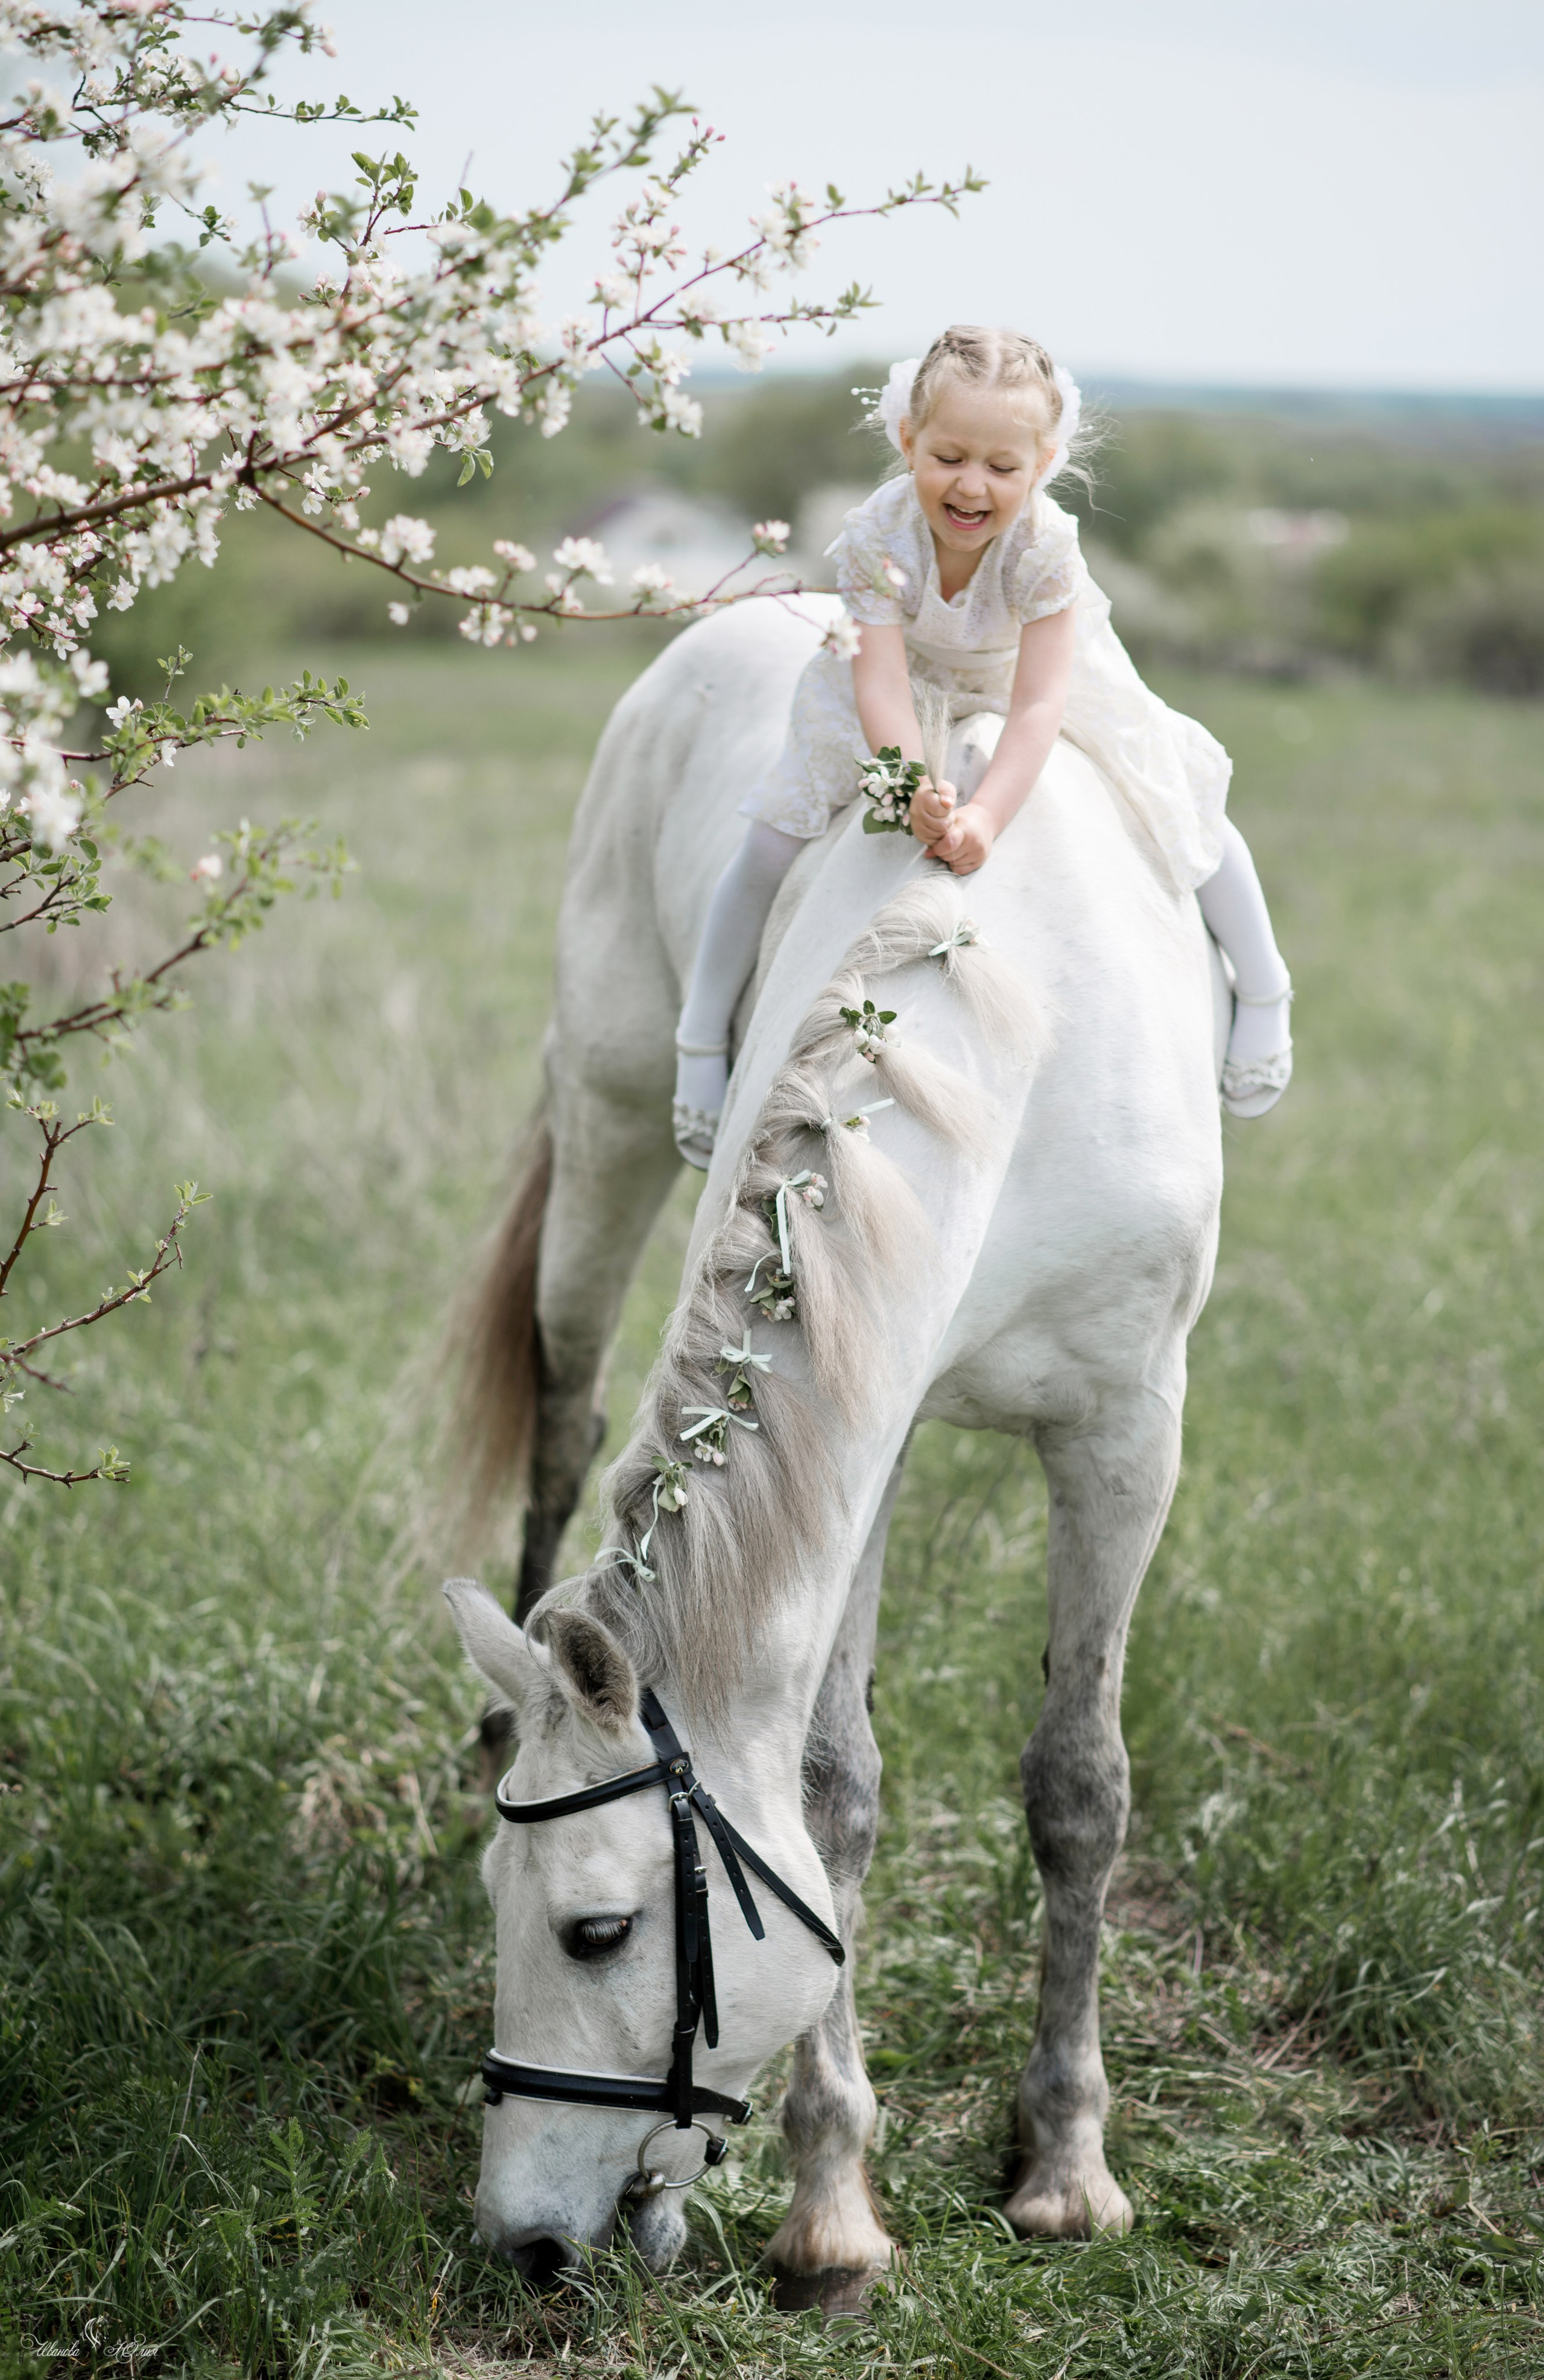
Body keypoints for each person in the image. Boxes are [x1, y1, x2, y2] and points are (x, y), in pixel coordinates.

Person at [672, 325, 1293, 1167]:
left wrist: (989, 816)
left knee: (1179, 800)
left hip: (1022, 677)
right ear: (908, 442)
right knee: (770, 841)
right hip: (903, 681)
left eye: (1002, 467)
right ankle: (703, 1041)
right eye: (949, 456)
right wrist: (913, 787)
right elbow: (883, 683)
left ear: (1040, 465)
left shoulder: (1044, 545)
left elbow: (1039, 704)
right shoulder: (877, 537)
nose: (972, 486)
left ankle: (1263, 987)